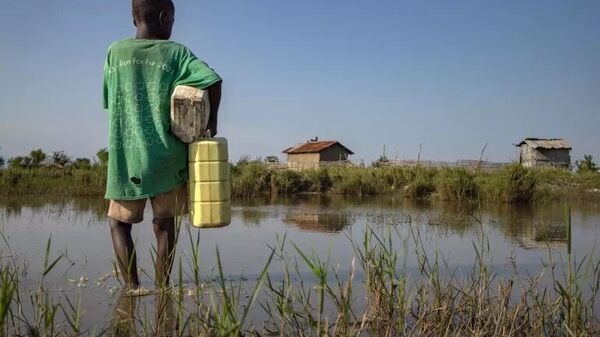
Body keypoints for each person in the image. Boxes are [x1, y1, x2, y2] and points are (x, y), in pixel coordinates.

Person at [102, 0, 222, 291]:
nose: (172, 26)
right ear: (163, 16)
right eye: (172, 20)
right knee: (164, 225)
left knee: (119, 224)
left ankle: (131, 290)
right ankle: (163, 289)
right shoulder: (176, 53)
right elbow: (213, 80)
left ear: (134, 20)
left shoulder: (115, 52)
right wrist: (211, 124)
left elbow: (108, 101)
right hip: (168, 157)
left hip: (127, 159)